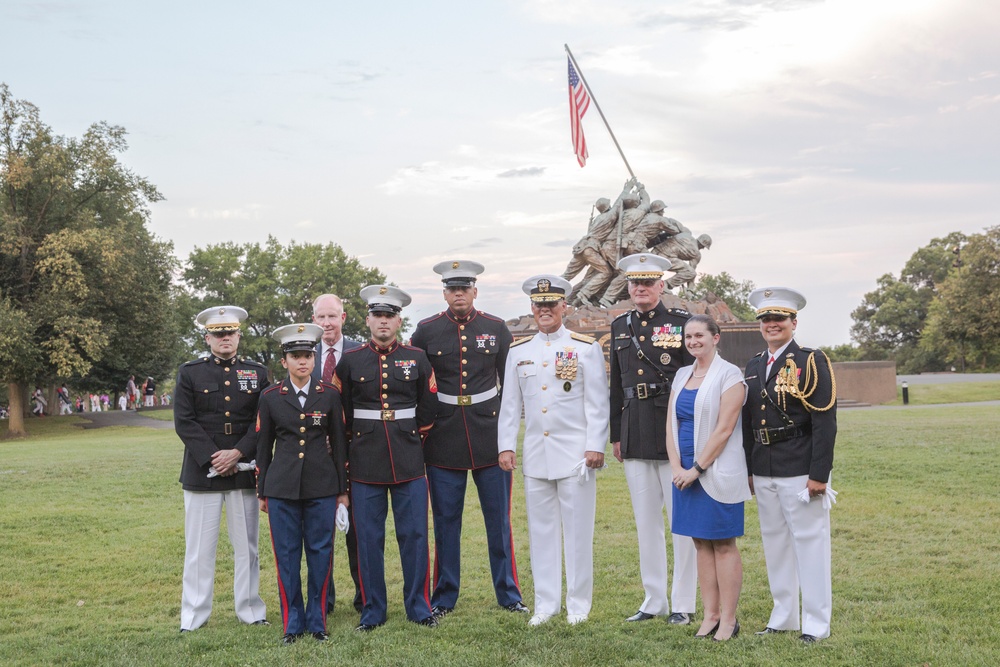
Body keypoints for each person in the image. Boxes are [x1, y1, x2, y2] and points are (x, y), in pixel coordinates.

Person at [410, 260, 527, 619]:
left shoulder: (495, 327)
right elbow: (417, 383)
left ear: (475, 291)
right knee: (446, 522)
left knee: (499, 520)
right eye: (452, 289)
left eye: (464, 288)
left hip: (489, 435)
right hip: (443, 437)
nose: (458, 294)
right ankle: (444, 596)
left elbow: (511, 385)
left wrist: (509, 435)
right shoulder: (426, 331)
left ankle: (508, 594)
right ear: (444, 293)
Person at [498, 275, 609, 627]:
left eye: (551, 304)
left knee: (578, 533)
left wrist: (595, 445)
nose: (544, 310)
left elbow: (597, 402)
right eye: (539, 305)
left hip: (576, 455)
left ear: (564, 306)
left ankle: (578, 605)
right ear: (532, 308)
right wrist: (505, 446)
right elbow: (510, 404)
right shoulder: (519, 351)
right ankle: (545, 605)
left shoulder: (584, 347)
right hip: (536, 454)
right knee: (541, 532)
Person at [337, 285, 438, 632]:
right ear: (368, 320)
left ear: (398, 320)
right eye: (377, 315)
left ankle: (419, 606)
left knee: (414, 536)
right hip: (364, 460)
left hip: (408, 457)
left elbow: (429, 404)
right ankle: (373, 610)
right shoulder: (349, 361)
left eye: (389, 316)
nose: (383, 322)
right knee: (368, 539)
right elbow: (341, 412)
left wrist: (413, 437)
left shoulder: (417, 357)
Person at [608, 254, 699, 626]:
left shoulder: (681, 323)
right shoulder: (618, 326)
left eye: (647, 283)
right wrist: (616, 434)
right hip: (634, 431)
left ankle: (683, 603)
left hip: (673, 430)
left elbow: (695, 378)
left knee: (681, 521)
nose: (640, 289)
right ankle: (653, 599)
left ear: (662, 286)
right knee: (646, 523)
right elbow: (615, 384)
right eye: (634, 283)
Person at [742, 287, 837, 643]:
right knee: (775, 543)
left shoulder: (811, 361)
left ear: (793, 322)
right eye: (766, 319)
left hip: (799, 466)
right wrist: (749, 469)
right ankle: (783, 616)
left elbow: (825, 422)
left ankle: (816, 622)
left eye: (779, 318)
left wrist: (818, 475)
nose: (772, 324)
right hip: (763, 466)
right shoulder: (753, 365)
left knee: (810, 543)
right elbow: (748, 421)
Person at [174, 306, 270, 632]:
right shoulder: (190, 373)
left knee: (248, 548)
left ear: (239, 335)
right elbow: (184, 422)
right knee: (199, 550)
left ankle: (251, 610)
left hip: (244, 469)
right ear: (207, 337)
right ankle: (194, 616)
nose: (225, 337)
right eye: (218, 333)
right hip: (203, 472)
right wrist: (216, 456)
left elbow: (263, 421)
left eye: (230, 332)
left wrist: (239, 452)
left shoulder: (258, 372)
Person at [256, 322, 349, 645]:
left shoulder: (330, 395)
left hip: (321, 487)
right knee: (287, 555)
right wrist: (262, 491)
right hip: (281, 489)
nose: (303, 362)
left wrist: (341, 490)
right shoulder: (270, 397)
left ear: (314, 357)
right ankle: (292, 622)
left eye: (308, 355)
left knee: (321, 553)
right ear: (284, 361)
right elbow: (262, 447)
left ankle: (317, 619)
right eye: (295, 356)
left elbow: (339, 445)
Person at [668, 315, 750, 641]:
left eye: (699, 335)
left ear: (716, 337)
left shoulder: (730, 375)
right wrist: (676, 465)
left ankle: (729, 619)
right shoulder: (681, 374)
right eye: (688, 337)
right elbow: (671, 424)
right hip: (683, 471)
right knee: (700, 543)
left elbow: (725, 429)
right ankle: (710, 614)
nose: (693, 342)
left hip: (713, 471)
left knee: (723, 544)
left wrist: (696, 469)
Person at [310, 293, 364, 615]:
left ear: (343, 318)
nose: (327, 323)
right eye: (321, 317)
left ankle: (364, 597)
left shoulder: (361, 351)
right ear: (313, 319)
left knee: (358, 532)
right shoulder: (302, 351)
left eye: (333, 317)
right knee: (319, 533)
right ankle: (324, 600)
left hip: (357, 454)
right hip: (317, 457)